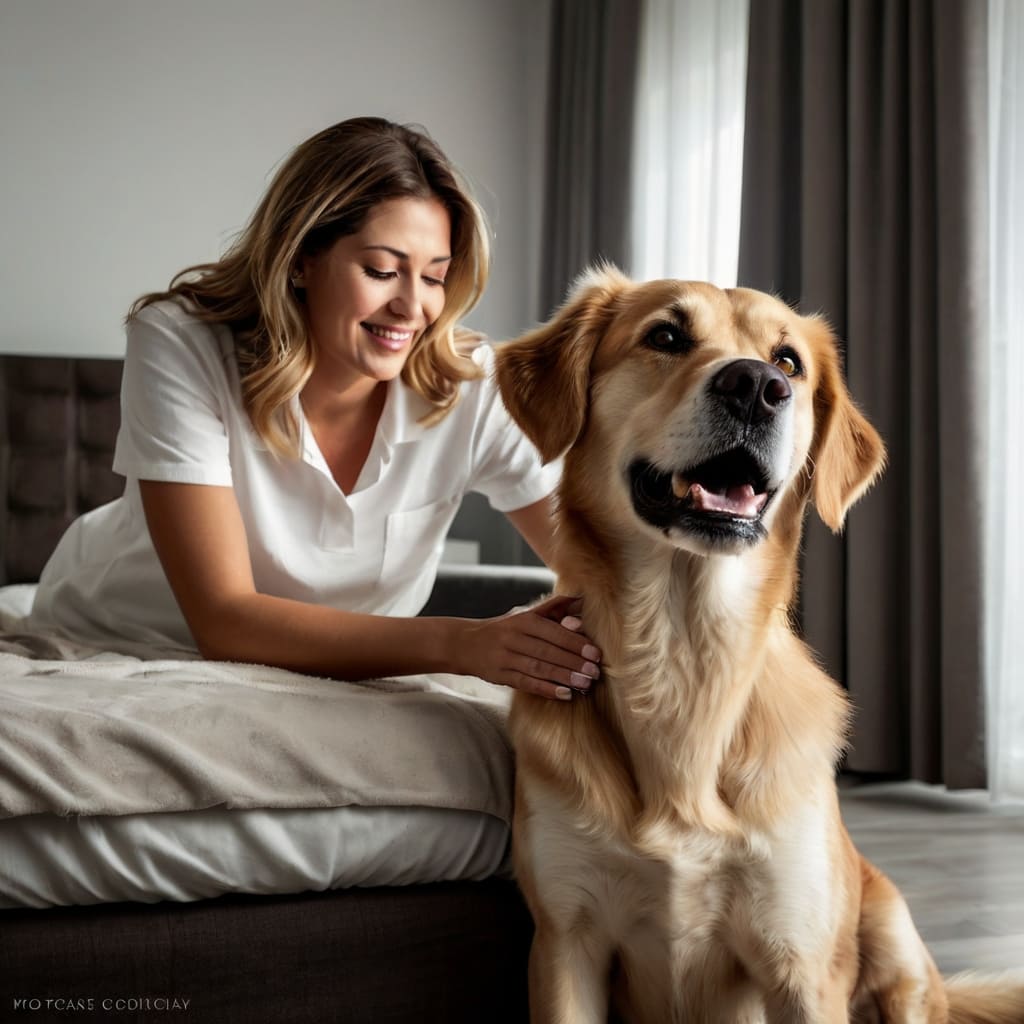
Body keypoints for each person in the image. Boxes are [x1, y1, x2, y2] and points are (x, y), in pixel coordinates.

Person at [28, 116, 600, 701]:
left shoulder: (471, 385)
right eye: (381, 271)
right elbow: (224, 620)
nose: (412, 306)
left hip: (344, 676)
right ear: (301, 258)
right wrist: (463, 643)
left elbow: (595, 558)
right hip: (122, 639)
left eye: (434, 278)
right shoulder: (181, 343)